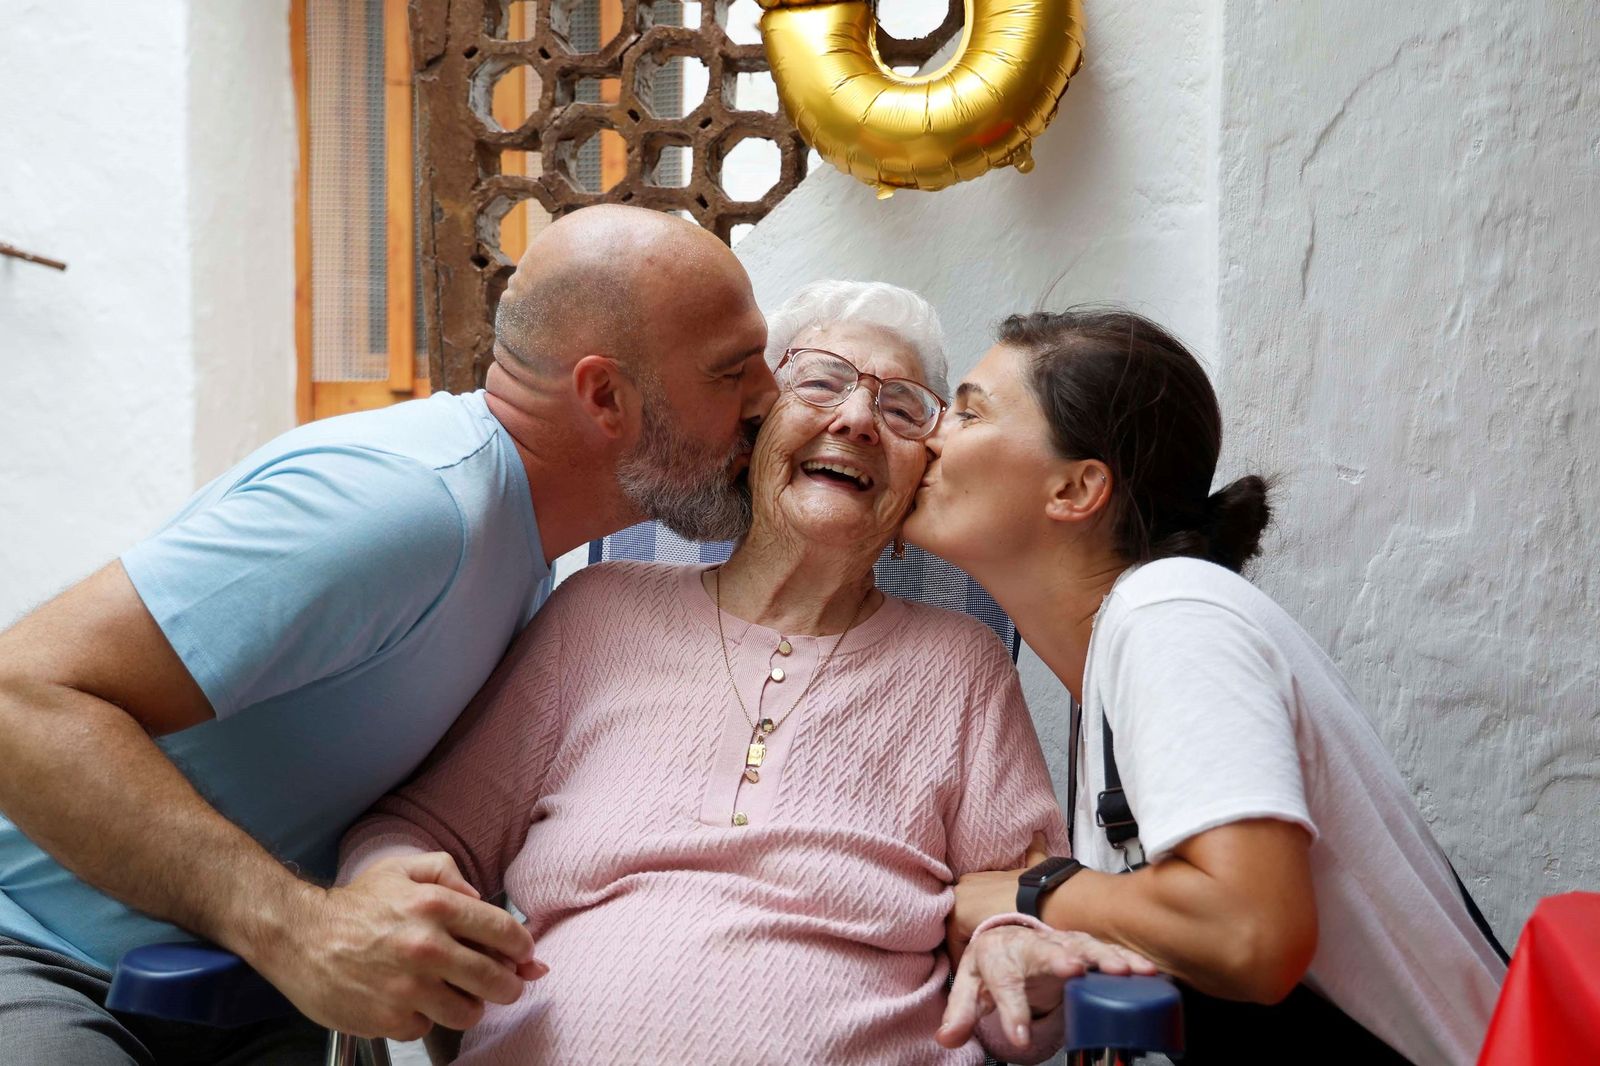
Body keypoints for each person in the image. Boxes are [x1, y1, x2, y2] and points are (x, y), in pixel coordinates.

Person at [0, 205, 778, 1063]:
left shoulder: (526, 550)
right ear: (605, 398)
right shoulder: (404, 507)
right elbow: (20, 693)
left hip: (226, 994)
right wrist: (298, 927)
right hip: (33, 950)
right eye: (733, 372)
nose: (769, 399)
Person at [336, 281, 1155, 1065]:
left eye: (904, 408)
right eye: (821, 381)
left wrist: (1026, 967)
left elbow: (1020, 930)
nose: (860, 418)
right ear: (752, 432)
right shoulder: (598, 612)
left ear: (917, 480)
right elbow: (421, 831)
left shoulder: (960, 667)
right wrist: (385, 884)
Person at [911, 309, 1507, 1065]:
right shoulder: (1124, 649)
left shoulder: (1169, 615)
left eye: (968, 411)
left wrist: (1031, 889)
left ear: (1076, 488)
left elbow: (1248, 931)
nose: (931, 435)